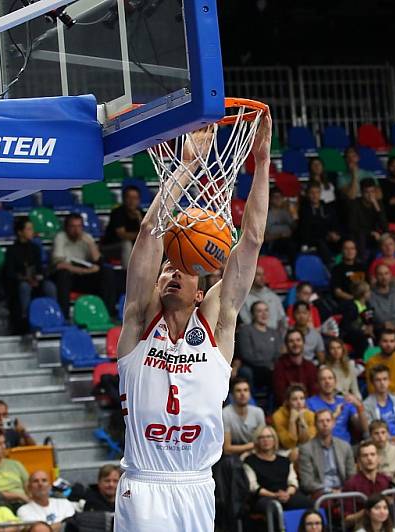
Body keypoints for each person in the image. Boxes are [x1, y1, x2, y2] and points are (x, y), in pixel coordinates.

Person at [112, 115, 272, 530]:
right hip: (145, 485)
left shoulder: (219, 326)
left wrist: (263, 159)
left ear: (202, 289)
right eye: (167, 268)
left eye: (182, 269)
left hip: (198, 485)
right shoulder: (137, 326)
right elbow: (150, 231)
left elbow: (251, 240)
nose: (172, 273)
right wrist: (186, 167)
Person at [51, 213, 116, 320]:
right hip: (69, 277)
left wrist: (90, 244)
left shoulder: (87, 238)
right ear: (66, 227)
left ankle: (109, 313)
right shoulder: (60, 238)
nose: (76, 230)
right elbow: (60, 265)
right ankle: (64, 316)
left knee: (107, 272)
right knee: (63, 275)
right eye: (72, 226)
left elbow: (98, 262)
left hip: (84, 277)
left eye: (79, 226)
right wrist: (84, 271)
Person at [243, 424, 312, 521]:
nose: (265, 440)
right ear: (257, 441)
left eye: (268, 437)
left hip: (286, 494)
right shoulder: (249, 461)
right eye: (261, 437)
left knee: (305, 502)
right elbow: (254, 487)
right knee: (274, 507)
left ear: (274, 439)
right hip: (263, 498)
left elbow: (293, 482)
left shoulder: (284, 461)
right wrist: (274, 495)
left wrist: (287, 494)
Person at [2, 217, 57, 333]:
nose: (32, 232)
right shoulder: (11, 250)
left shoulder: (35, 248)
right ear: (20, 232)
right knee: (24, 287)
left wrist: (38, 277)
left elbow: (39, 268)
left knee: (49, 286)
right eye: (29, 229)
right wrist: (25, 278)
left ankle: (54, 314)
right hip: (19, 282)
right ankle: (25, 317)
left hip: (35, 280)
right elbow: (10, 273)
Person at [296, 409, 356, 500]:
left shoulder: (345, 446)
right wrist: (329, 491)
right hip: (321, 493)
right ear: (315, 425)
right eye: (321, 421)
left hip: (344, 491)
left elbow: (352, 476)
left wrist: (344, 490)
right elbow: (307, 482)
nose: (325, 424)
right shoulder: (306, 449)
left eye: (328, 420)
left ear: (333, 423)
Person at [342, 442, 394, 527]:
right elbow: (347, 519)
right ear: (358, 460)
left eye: (372, 454)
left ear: (378, 458)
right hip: (362, 527)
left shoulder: (386, 480)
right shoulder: (351, 484)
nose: (369, 458)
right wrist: (369, 510)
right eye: (365, 455)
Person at [306, 366, 362, 443]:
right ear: (318, 384)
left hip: (345, 447)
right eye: (323, 379)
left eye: (330, 378)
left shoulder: (344, 401)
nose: (327, 381)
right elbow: (311, 432)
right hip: (321, 446)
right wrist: (334, 415)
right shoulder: (310, 403)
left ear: (335, 382)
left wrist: (359, 406)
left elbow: (361, 427)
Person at [234, 301, 281, 390]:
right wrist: (267, 364)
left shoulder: (274, 332)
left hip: (270, 369)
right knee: (245, 372)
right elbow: (246, 355)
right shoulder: (246, 330)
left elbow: (277, 353)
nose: (264, 314)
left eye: (266, 310)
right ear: (253, 314)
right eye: (259, 311)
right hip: (253, 368)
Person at [362, 364, 395, 442]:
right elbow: (369, 432)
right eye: (378, 380)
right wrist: (392, 439)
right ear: (372, 382)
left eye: (385, 379)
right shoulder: (366, 405)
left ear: (389, 381)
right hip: (380, 444)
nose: (382, 383)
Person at [298, 181, 341, 265]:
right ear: (307, 194)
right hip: (313, 240)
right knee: (320, 242)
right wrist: (327, 234)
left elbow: (334, 223)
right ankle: (331, 264)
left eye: (317, 192)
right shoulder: (304, 210)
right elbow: (307, 228)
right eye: (312, 193)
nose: (315, 195)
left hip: (329, 237)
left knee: (346, 239)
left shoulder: (327, 208)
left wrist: (336, 233)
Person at [364, 329, 395, 400]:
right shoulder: (372, 362)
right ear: (379, 343)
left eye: (392, 341)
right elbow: (371, 388)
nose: (389, 345)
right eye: (385, 341)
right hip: (380, 400)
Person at [222, 377, 265, 457]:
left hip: (255, 453)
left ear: (250, 393)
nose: (242, 394)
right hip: (233, 457)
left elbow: (263, 442)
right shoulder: (225, 414)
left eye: (245, 390)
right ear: (232, 395)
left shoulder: (258, 412)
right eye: (238, 390)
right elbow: (227, 449)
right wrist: (251, 446)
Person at [347, 179, 388, 263]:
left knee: (390, 235)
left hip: (374, 236)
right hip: (359, 235)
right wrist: (370, 232)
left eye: (372, 192)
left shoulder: (378, 204)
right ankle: (362, 263)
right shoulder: (355, 204)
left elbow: (385, 227)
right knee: (361, 236)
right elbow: (352, 226)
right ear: (362, 193)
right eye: (367, 192)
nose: (370, 195)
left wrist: (376, 207)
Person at [102, 185, 142, 269]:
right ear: (124, 199)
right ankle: (127, 275)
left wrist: (139, 218)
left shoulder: (140, 213)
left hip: (133, 246)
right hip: (111, 247)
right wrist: (140, 235)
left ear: (139, 200)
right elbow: (122, 235)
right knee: (126, 244)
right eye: (129, 198)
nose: (132, 201)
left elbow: (148, 233)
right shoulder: (118, 213)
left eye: (135, 198)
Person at [272, 384, 316, 461]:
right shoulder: (278, 416)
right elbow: (289, 444)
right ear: (288, 401)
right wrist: (292, 421)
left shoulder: (310, 414)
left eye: (302, 398)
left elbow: (307, 440)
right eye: (294, 399)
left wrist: (301, 420)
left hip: (304, 448)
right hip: (283, 450)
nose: (299, 402)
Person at [273, 329, 319, 401]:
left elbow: (314, 393)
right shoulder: (279, 367)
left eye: (298, 340)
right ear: (286, 345)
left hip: (309, 408)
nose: (295, 344)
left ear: (303, 343)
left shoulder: (311, 367)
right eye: (291, 341)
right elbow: (281, 396)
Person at [240, 266, 287, 331]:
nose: (262, 277)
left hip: (274, 336)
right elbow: (246, 321)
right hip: (254, 336)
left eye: (263, 274)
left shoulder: (273, 297)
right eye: (258, 274)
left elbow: (282, 321)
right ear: (250, 276)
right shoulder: (243, 298)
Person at [369, 419, 395, 486]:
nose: (380, 436)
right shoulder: (367, 451)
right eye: (376, 433)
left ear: (388, 434)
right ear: (371, 435)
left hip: (393, 489)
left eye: (383, 432)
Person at [264, 188, 298, 260]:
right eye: (275, 197)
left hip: (289, 239)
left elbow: (295, 228)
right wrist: (280, 235)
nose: (278, 199)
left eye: (280, 197)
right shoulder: (266, 215)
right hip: (274, 243)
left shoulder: (286, 213)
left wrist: (294, 215)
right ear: (270, 199)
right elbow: (265, 238)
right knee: (290, 245)